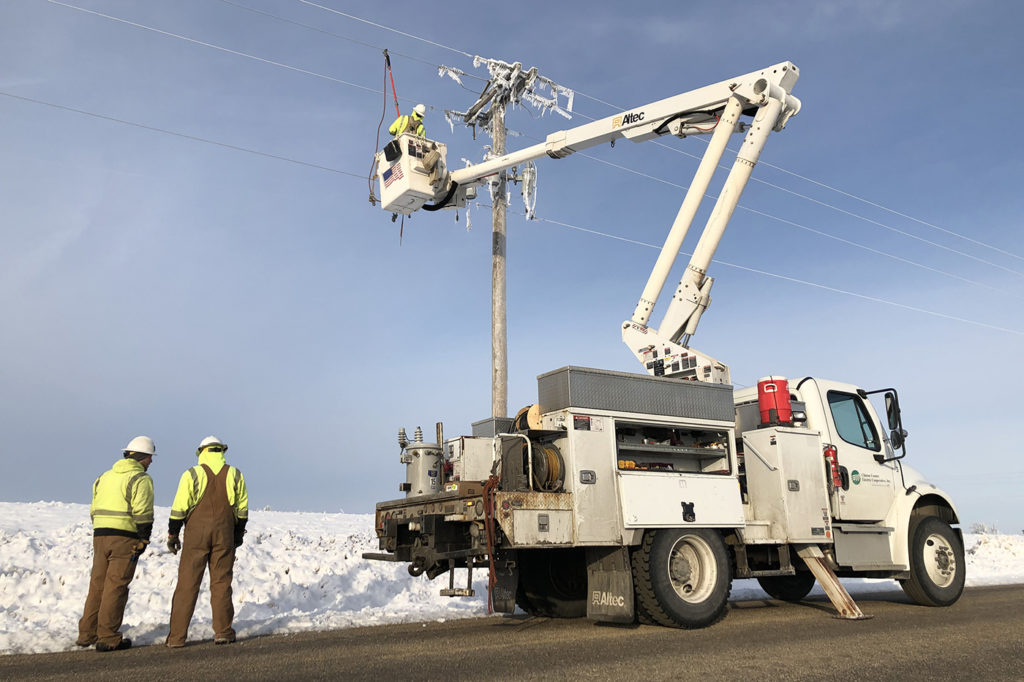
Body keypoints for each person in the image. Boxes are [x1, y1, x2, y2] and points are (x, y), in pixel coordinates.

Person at [165, 435, 248, 647]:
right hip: (225, 533)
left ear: (201, 452)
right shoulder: (235, 474)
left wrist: (173, 534)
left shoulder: (192, 474)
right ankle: (223, 632)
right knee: (221, 583)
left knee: (187, 583)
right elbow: (242, 510)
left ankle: (176, 638)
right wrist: (237, 535)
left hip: (196, 534)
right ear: (221, 451)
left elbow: (179, 508)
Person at [77, 435, 156, 652]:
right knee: (116, 586)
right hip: (124, 538)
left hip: (100, 536)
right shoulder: (140, 479)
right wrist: (144, 537)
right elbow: (143, 513)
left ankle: (87, 634)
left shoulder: (104, 477)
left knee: (97, 585)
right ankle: (109, 637)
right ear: (142, 457)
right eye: (150, 458)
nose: (151, 462)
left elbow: (94, 509)